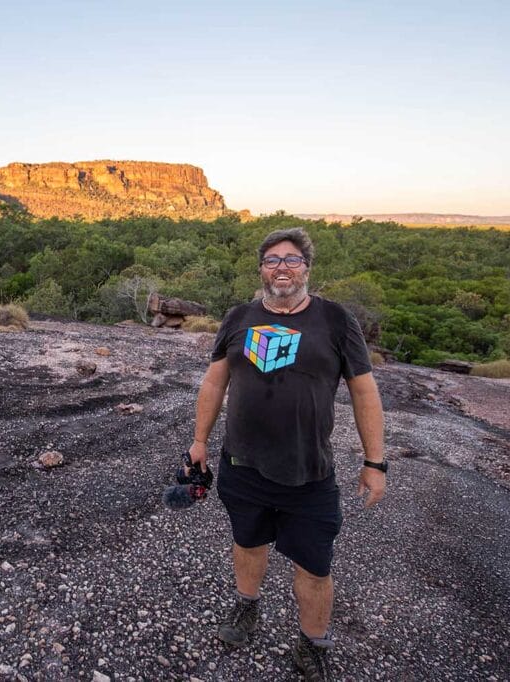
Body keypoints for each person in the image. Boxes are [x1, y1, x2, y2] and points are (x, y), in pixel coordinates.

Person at [189, 227, 386, 681]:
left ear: (307, 268)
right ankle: (247, 606)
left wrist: (375, 461)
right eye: (273, 259)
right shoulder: (238, 317)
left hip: (309, 473)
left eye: (292, 259)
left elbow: (364, 391)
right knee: (247, 542)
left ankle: (312, 643)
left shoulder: (336, 320)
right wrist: (200, 440)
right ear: (261, 268)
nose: (282, 267)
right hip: (243, 464)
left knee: (315, 566)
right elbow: (215, 381)